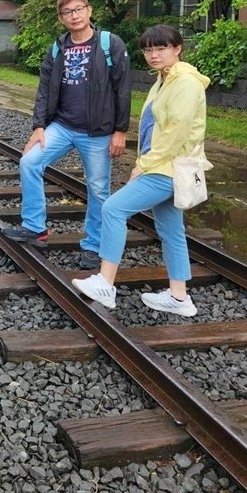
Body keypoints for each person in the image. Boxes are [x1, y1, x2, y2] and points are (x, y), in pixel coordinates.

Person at [72, 25, 209, 317]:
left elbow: (175, 132)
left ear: (177, 48)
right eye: (148, 49)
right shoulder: (164, 79)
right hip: (165, 165)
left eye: (161, 49)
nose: (153, 55)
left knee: (113, 208)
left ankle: (106, 284)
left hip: (167, 168)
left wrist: (142, 165)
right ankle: (179, 297)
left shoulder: (185, 83)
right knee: (172, 231)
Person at [2, 0, 131, 269]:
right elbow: (45, 90)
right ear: (61, 18)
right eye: (67, 12)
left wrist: (120, 131)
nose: (74, 15)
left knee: (98, 189)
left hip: (98, 131)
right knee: (30, 162)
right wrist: (38, 126)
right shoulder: (57, 48)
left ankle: (94, 246)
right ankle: (35, 226)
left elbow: (123, 90)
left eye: (78, 9)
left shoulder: (110, 44)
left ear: (89, 10)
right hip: (62, 126)